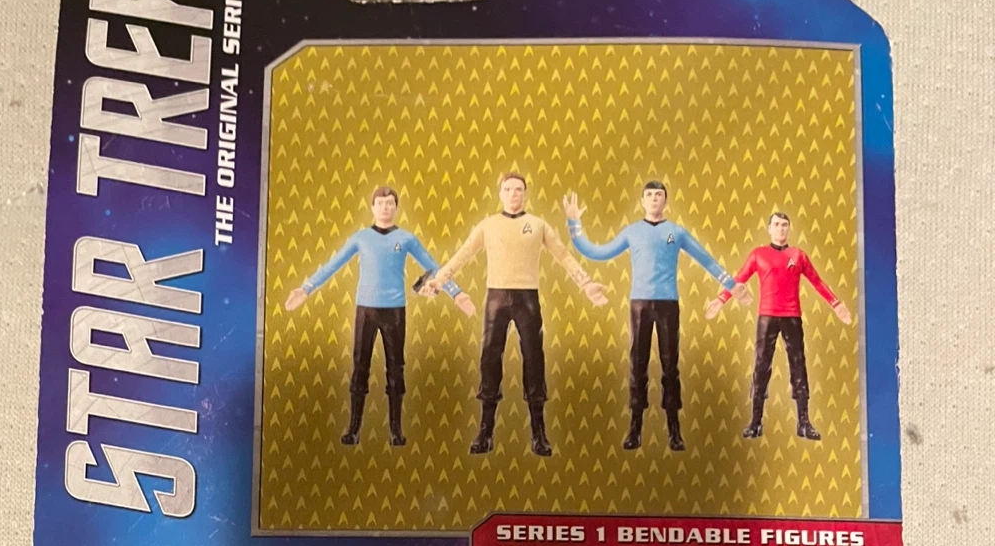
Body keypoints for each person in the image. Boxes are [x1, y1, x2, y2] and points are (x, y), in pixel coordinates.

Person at [421, 172, 608, 456]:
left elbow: (563, 255)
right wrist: (439, 280)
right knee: (489, 358)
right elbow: (463, 255)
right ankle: (485, 433)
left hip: (527, 299)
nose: (513, 194)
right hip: (496, 298)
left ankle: (539, 434)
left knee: (534, 359)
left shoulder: (538, 225)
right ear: (500, 193)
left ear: (525, 193)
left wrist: (586, 283)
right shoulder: (488, 225)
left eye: (518, 189)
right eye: (507, 189)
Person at [563, 182, 748, 451]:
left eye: (659, 195)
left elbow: (705, 259)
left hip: (668, 305)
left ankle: (674, 430)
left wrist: (731, 285)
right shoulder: (632, 232)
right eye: (649, 195)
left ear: (666, 201)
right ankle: (634, 428)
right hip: (639, 305)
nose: (653, 199)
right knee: (637, 365)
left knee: (670, 366)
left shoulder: (676, 232)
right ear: (642, 201)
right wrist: (574, 224)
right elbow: (597, 252)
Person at [286, 185, 474, 446]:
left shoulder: (406, 238)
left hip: (394, 310)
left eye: (390, 203)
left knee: (396, 369)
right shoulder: (360, 238)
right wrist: (306, 288)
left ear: (396, 208)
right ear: (372, 207)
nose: (385, 207)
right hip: (365, 310)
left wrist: (457, 293)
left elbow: (433, 266)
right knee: (359, 367)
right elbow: (333, 264)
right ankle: (354, 428)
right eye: (381, 203)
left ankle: (395, 429)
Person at [705, 211, 851, 440]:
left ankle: (804, 422)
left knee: (798, 365)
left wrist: (836, 303)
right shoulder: (758, 254)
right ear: (769, 228)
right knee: (761, 366)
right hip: (767, 317)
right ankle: (755, 422)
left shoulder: (798, 255)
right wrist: (720, 299)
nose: (781, 229)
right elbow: (739, 279)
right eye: (777, 224)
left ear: (788, 229)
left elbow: (817, 281)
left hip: (792, 316)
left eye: (784, 225)